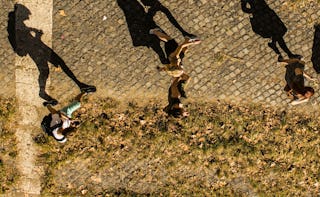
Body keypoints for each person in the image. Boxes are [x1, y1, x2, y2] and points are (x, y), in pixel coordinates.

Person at [7, 4, 96, 105]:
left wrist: (36, 36)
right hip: (36, 51)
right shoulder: (16, 29)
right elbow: (23, 44)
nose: (28, 17)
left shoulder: (18, 27)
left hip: (40, 48)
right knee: (46, 70)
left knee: (58, 65)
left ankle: (80, 85)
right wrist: (36, 37)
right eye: (27, 15)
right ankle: (43, 93)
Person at [150, 28, 200, 97]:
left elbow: (181, 46)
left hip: (171, 48)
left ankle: (154, 31)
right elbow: (166, 69)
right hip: (178, 55)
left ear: (177, 66)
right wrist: (160, 69)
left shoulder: (175, 57)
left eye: (180, 68)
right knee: (185, 49)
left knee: (167, 39)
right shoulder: (172, 70)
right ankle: (187, 38)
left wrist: (193, 42)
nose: (182, 68)